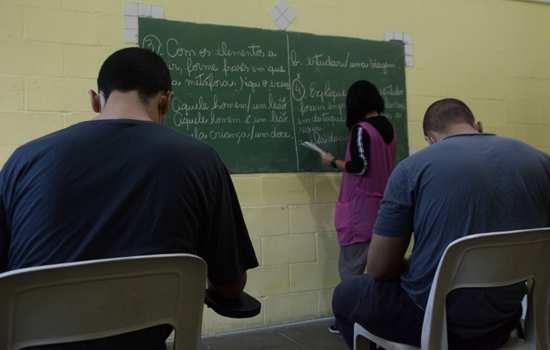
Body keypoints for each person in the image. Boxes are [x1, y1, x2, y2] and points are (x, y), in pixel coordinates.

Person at [0, 47, 258, 349]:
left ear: (95, 100)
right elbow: (230, 287)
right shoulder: (201, 161)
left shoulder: (25, 160)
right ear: (166, 101)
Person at [332, 98, 550, 349]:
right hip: (503, 319)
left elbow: (379, 269)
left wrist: (413, 266)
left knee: (346, 294)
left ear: (430, 139)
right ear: (477, 125)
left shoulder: (411, 169)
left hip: (433, 321)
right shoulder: (540, 162)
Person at [320, 80, 396, 334]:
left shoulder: (362, 130)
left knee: (351, 270)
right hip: (382, 208)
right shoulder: (389, 129)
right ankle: (375, 320)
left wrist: (332, 162)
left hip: (359, 211)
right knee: (378, 270)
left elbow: (360, 166)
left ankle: (349, 323)